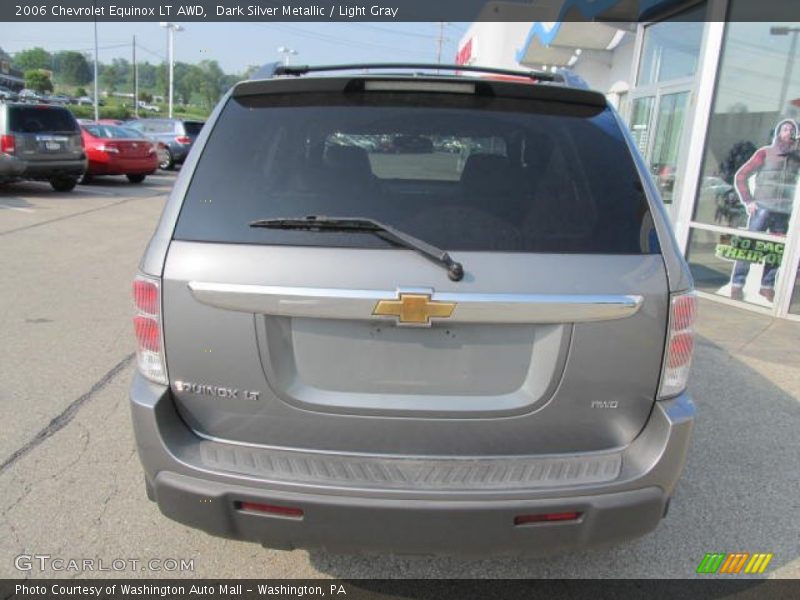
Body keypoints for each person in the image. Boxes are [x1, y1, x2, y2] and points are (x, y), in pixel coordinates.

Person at [730, 119, 799, 302]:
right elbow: (741, 175)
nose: (789, 132)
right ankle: (737, 284)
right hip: (762, 209)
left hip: (783, 212)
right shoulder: (765, 153)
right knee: (749, 247)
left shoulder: (796, 157)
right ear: (779, 133)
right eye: (785, 129)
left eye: (792, 130)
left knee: (775, 250)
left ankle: (767, 286)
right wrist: (748, 200)